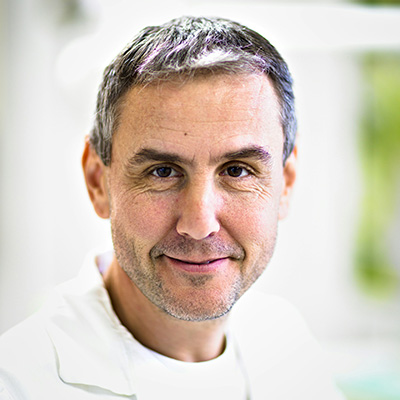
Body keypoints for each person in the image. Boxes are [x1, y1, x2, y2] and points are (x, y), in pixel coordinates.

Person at [0, 16, 344, 400]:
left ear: (286, 183)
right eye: (162, 171)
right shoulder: (17, 383)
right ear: (98, 182)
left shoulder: (287, 346)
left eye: (237, 170)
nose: (200, 224)